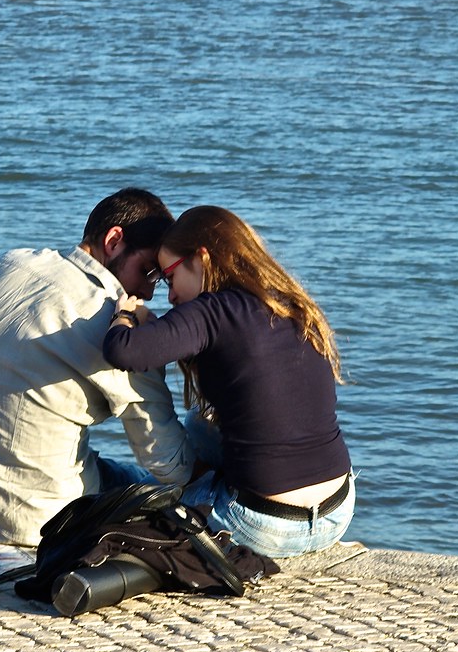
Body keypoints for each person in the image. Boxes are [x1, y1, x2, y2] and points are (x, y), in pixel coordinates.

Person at [0, 188, 194, 547]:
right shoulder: (116, 321)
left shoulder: (2, 265)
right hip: (38, 523)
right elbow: (171, 465)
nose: (148, 290)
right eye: (148, 271)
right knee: (163, 486)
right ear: (113, 241)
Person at [102, 205, 354, 559]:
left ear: (202, 259)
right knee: (200, 426)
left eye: (170, 277)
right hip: (336, 512)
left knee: (141, 496)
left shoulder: (212, 311)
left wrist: (125, 314)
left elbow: (123, 350)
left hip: (262, 525)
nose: (170, 295)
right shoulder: (290, 304)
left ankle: (104, 475)